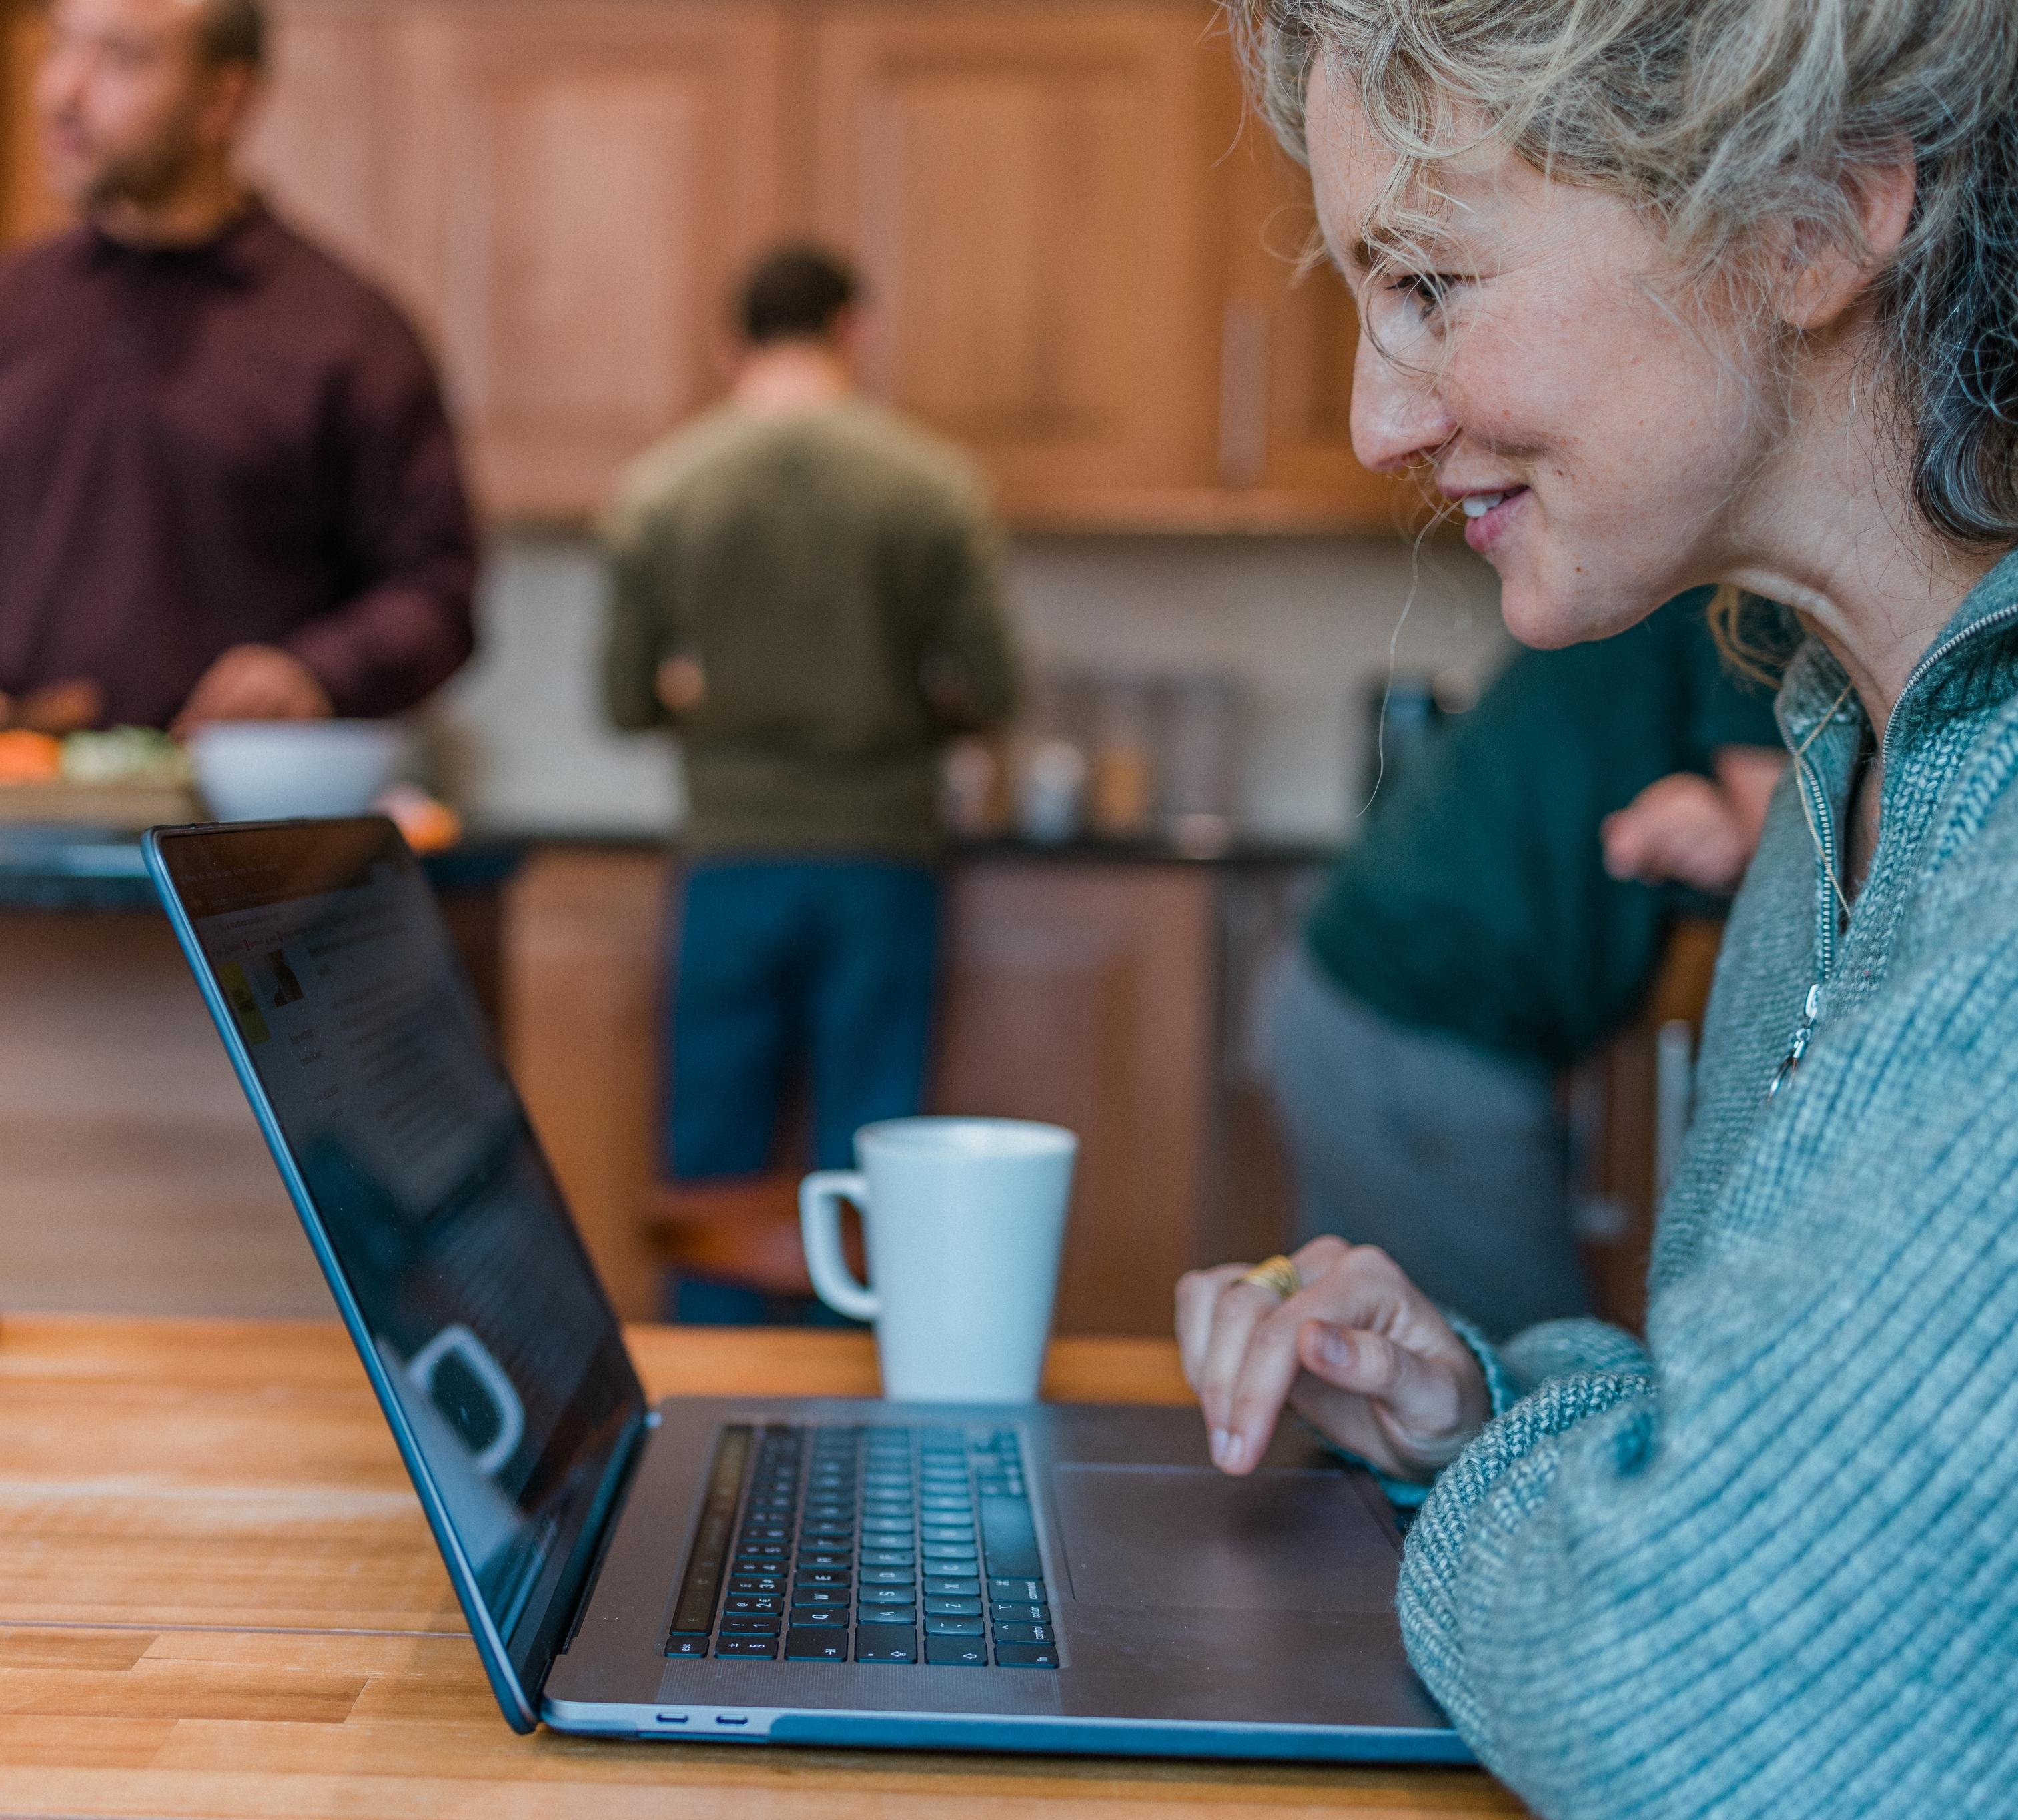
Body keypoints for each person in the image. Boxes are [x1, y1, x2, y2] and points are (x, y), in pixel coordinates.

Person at [1179, 0, 2018, 1808]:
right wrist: (1478, 1412)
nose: (1371, 418)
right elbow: (1783, 1487)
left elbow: (1670, 1684)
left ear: (1813, 222)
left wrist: (1561, 1523)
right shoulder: (1836, 773)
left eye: (1427, 284)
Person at [604, 245, 1017, 1322]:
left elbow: (621, 699)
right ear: (854, 330)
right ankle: (860, 1376)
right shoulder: (930, 486)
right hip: (881, 852)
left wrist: (707, 699)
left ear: (729, 343)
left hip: (730, 851)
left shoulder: (662, 490)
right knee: (873, 1153)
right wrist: (902, 702)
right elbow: (995, 682)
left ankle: (706, 1376)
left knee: (711, 1155)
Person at [1268, 590, 1787, 1337]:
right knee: (1521, 1374)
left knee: (1372, 1366)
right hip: (1409, 1030)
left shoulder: (1700, 586)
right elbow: (1797, 833)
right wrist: (1732, 829)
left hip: (1365, 1010)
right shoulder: (1751, 600)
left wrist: (1723, 825)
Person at [0, 0, 475, 736]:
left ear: (224, 98)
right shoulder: (15, 302)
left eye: (121, 59)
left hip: (239, 829)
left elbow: (437, 593)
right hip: (20, 821)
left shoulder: (346, 332)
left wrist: (317, 671)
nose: (64, 90)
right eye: (63, 48)